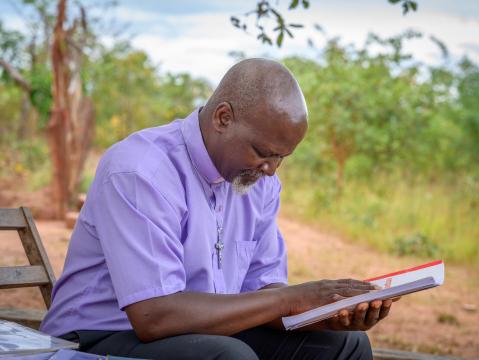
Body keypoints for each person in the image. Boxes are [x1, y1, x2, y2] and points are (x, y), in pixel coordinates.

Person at [40, 58, 394, 359]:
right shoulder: (141, 170)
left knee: (345, 345)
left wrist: (326, 311)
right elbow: (154, 316)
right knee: (228, 356)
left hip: (204, 333)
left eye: (281, 158)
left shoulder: (258, 182)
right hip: (92, 339)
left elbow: (263, 296)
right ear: (223, 118)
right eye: (263, 152)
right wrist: (292, 299)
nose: (271, 169)